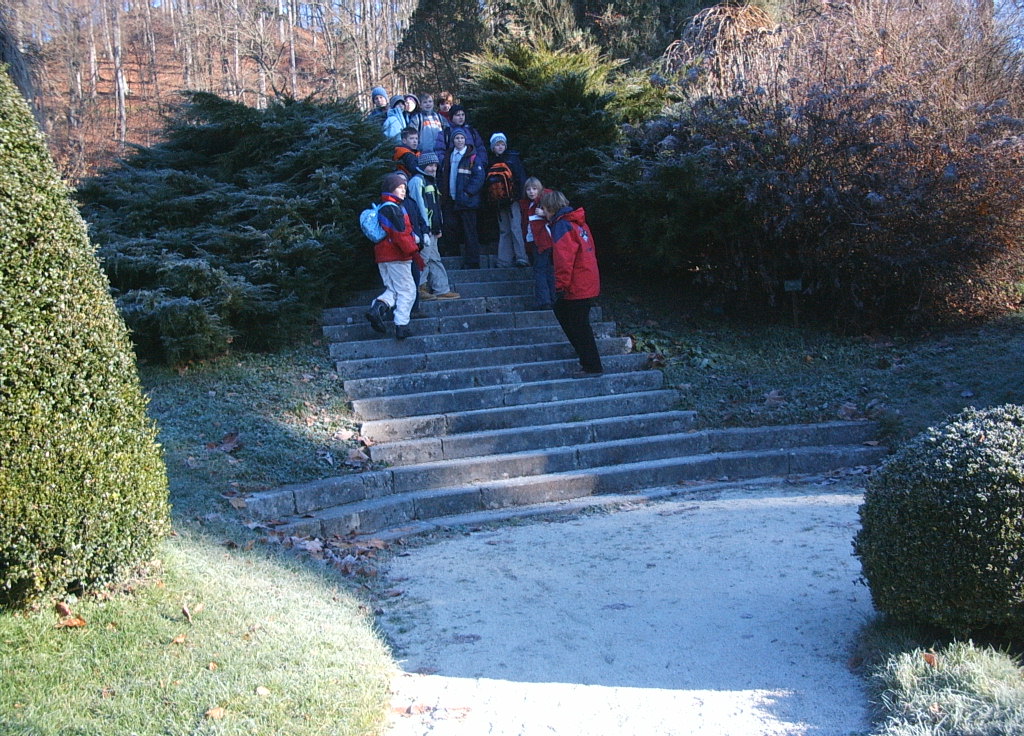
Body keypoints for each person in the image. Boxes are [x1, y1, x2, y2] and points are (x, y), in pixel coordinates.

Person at [540, 190, 603, 376]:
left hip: (577, 282)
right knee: (571, 317)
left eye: (544, 209)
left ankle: (591, 365)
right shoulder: (578, 222)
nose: (544, 213)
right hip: (588, 278)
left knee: (578, 324)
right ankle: (586, 358)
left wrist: (560, 285)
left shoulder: (562, 225)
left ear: (550, 208)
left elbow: (564, 259)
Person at [366, 172, 420, 340]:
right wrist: (414, 249)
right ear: (390, 189)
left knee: (394, 290)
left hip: (383, 257)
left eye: (404, 187)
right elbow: (400, 234)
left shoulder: (384, 206)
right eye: (399, 187)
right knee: (408, 291)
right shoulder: (393, 208)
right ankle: (401, 326)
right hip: (397, 256)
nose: (403, 190)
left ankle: (377, 309)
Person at [408, 152, 459, 300]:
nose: (433, 168)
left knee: (434, 259)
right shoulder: (418, 181)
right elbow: (418, 207)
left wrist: (438, 227)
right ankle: (420, 287)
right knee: (423, 258)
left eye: (435, 165)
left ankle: (441, 289)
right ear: (423, 166)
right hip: (425, 230)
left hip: (433, 229)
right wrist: (424, 228)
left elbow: (436, 207)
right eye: (430, 165)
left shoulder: (431, 181)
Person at [440, 127, 485, 268]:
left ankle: (472, 261)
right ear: (453, 140)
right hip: (451, 198)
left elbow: (479, 177)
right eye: (457, 138)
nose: (459, 140)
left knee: (469, 231)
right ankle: (453, 256)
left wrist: (467, 193)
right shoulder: (449, 156)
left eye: (462, 138)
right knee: (450, 227)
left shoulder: (472, 156)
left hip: (467, 200)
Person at [487, 132, 529, 268]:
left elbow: (521, 178)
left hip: (513, 200)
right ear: (493, 147)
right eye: (497, 145)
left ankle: (521, 257)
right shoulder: (491, 161)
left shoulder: (512, 159)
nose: (500, 147)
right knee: (505, 230)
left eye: (502, 144)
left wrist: (521, 196)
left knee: (515, 228)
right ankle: (504, 260)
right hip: (499, 202)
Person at [522, 176, 556, 309]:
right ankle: (551, 298)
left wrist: (545, 213)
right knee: (546, 269)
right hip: (536, 241)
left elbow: (557, 215)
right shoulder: (529, 204)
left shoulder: (544, 201)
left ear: (540, 189)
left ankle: (544, 301)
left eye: (534, 189)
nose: (531, 192)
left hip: (543, 241)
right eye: (528, 189)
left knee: (540, 270)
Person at [412, 93, 449, 158]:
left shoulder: (440, 118)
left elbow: (448, 133)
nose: (428, 104)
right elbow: (412, 136)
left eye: (430, 101)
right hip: (424, 154)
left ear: (433, 103)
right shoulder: (417, 119)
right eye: (425, 102)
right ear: (420, 105)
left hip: (440, 153)